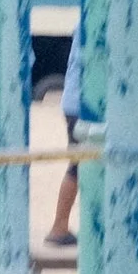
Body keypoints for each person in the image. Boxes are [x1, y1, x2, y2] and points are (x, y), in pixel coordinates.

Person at [46, 20, 86, 246]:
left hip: (74, 101)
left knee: (79, 165)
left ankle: (61, 225)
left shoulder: (85, 19)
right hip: (84, 104)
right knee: (78, 166)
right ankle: (59, 225)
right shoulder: (101, 20)